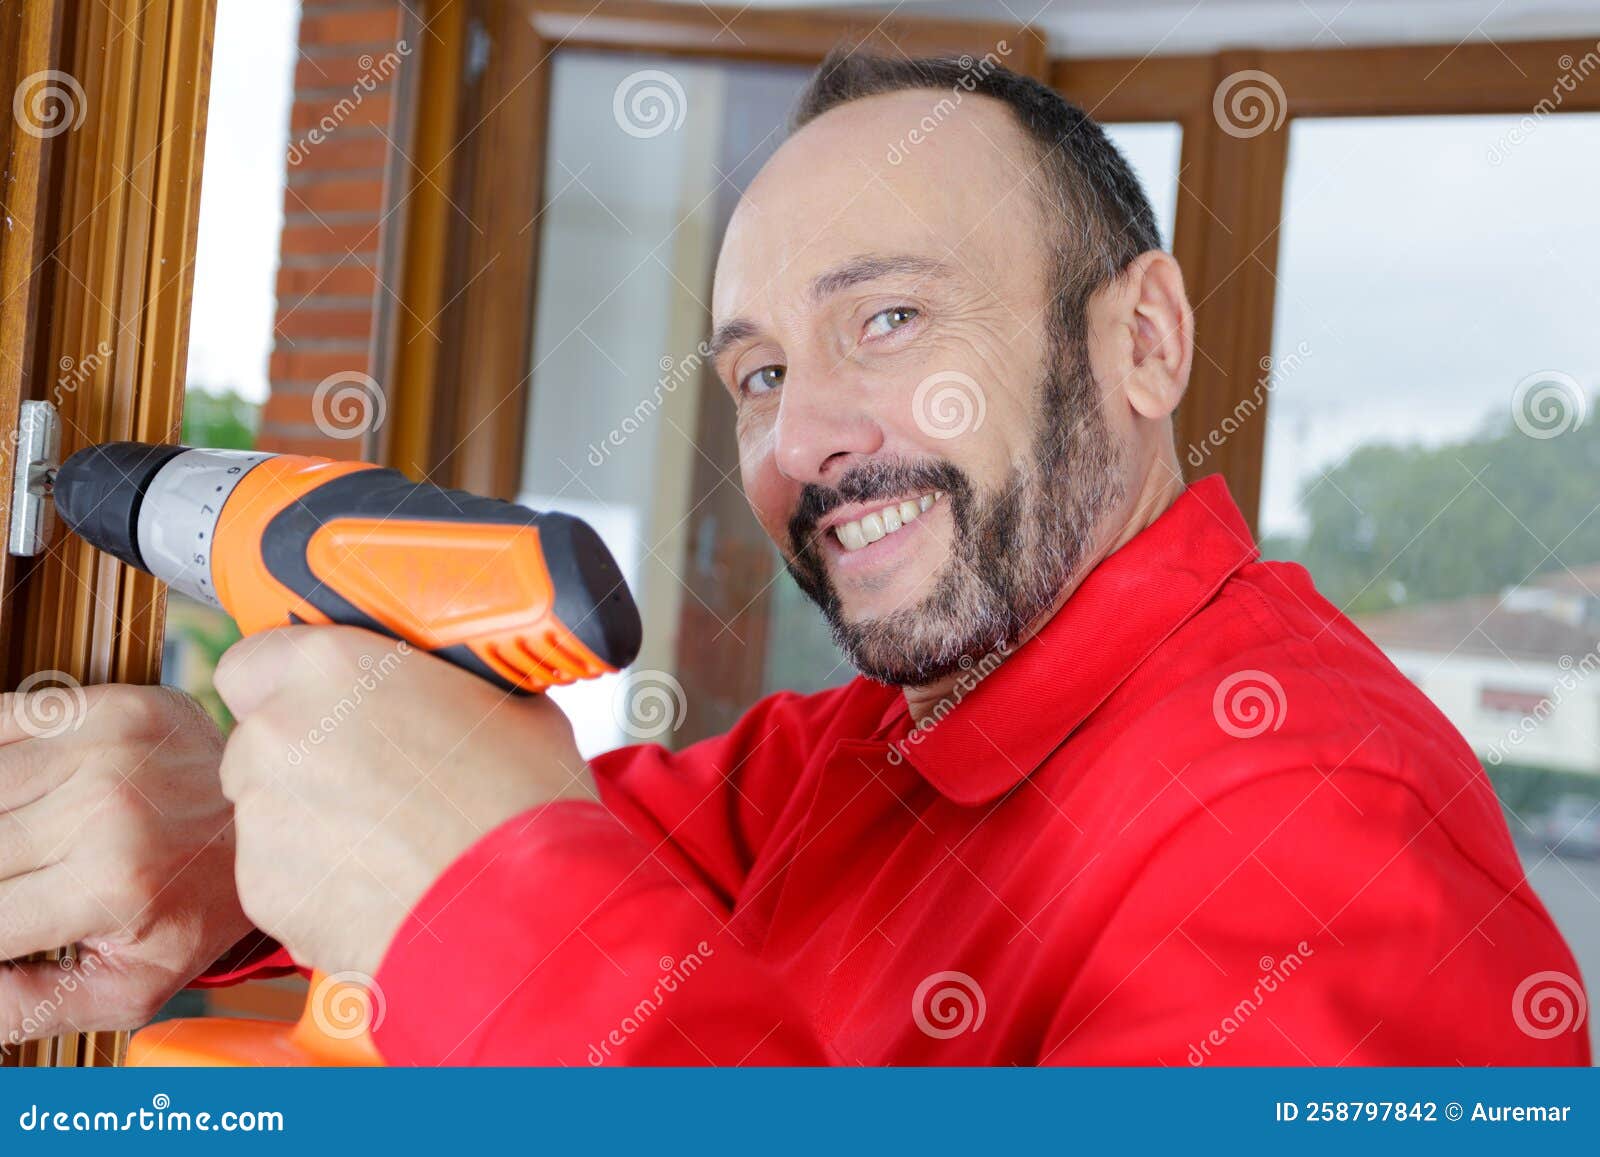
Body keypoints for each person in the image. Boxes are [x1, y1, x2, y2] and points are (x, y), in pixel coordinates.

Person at [0, 53, 1588, 1066]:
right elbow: (580, 841)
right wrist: (220, 855)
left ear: (1147, 338)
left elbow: (528, 890)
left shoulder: (1321, 828)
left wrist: (497, 912)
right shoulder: (861, 756)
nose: (804, 434)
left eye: (885, 319)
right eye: (758, 372)